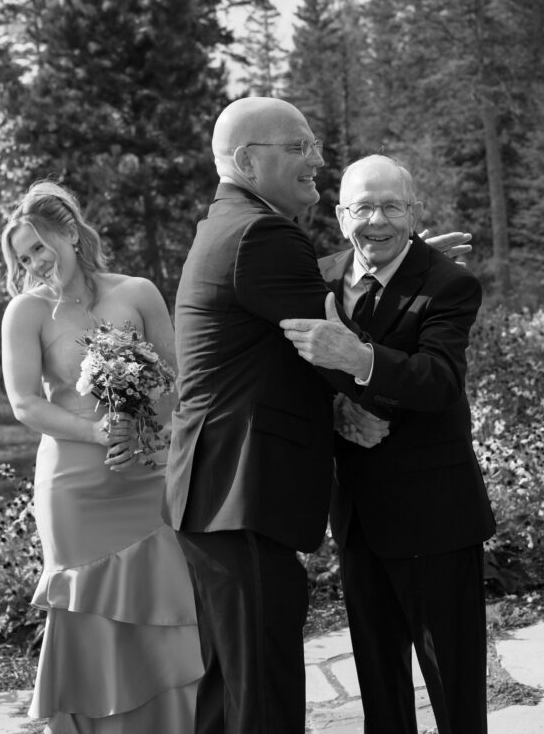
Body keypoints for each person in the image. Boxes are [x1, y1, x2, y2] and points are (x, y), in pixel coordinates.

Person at [164, 96, 370, 734]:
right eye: (299, 146)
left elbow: (289, 288)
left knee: (232, 693)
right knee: (264, 701)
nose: (319, 158)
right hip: (242, 492)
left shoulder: (231, 224)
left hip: (218, 495)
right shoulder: (264, 233)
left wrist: (383, 263)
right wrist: (377, 376)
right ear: (249, 161)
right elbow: (329, 341)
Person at [281, 154, 496, 734]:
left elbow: (440, 379)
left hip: (436, 516)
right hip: (356, 515)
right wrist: (336, 409)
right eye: (362, 207)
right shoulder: (316, 275)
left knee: (454, 686)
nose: (376, 221)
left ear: (414, 211)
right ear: (339, 212)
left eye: (391, 206)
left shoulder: (449, 282)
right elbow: (286, 373)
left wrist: (360, 360)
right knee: (378, 685)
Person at [0, 180, 203, 733]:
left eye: (40, 246)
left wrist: (147, 435)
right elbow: (24, 404)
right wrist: (97, 434)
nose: (36, 263)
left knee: (161, 603)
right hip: (75, 487)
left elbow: (176, 378)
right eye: (24, 256)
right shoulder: (27, 312)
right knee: (88, 611)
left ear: (69, 232)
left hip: (145, 472)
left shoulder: (137, 292)